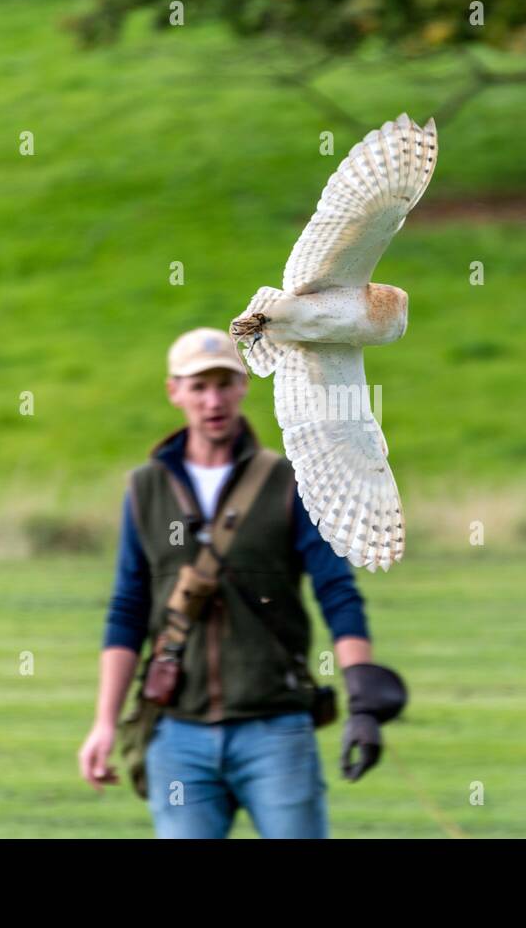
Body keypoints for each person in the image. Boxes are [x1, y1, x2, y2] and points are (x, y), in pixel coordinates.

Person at [78, 327, 406, 838]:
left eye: (225, 383)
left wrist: (361, 697)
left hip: (275, 730)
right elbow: (127, 608)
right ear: (175, 391)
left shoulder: (290, 481)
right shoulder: (145, 489)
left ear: (244, 385)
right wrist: (104, 722)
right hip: (176, 734)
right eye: (199, 386)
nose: (213, 400)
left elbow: (336, 590)